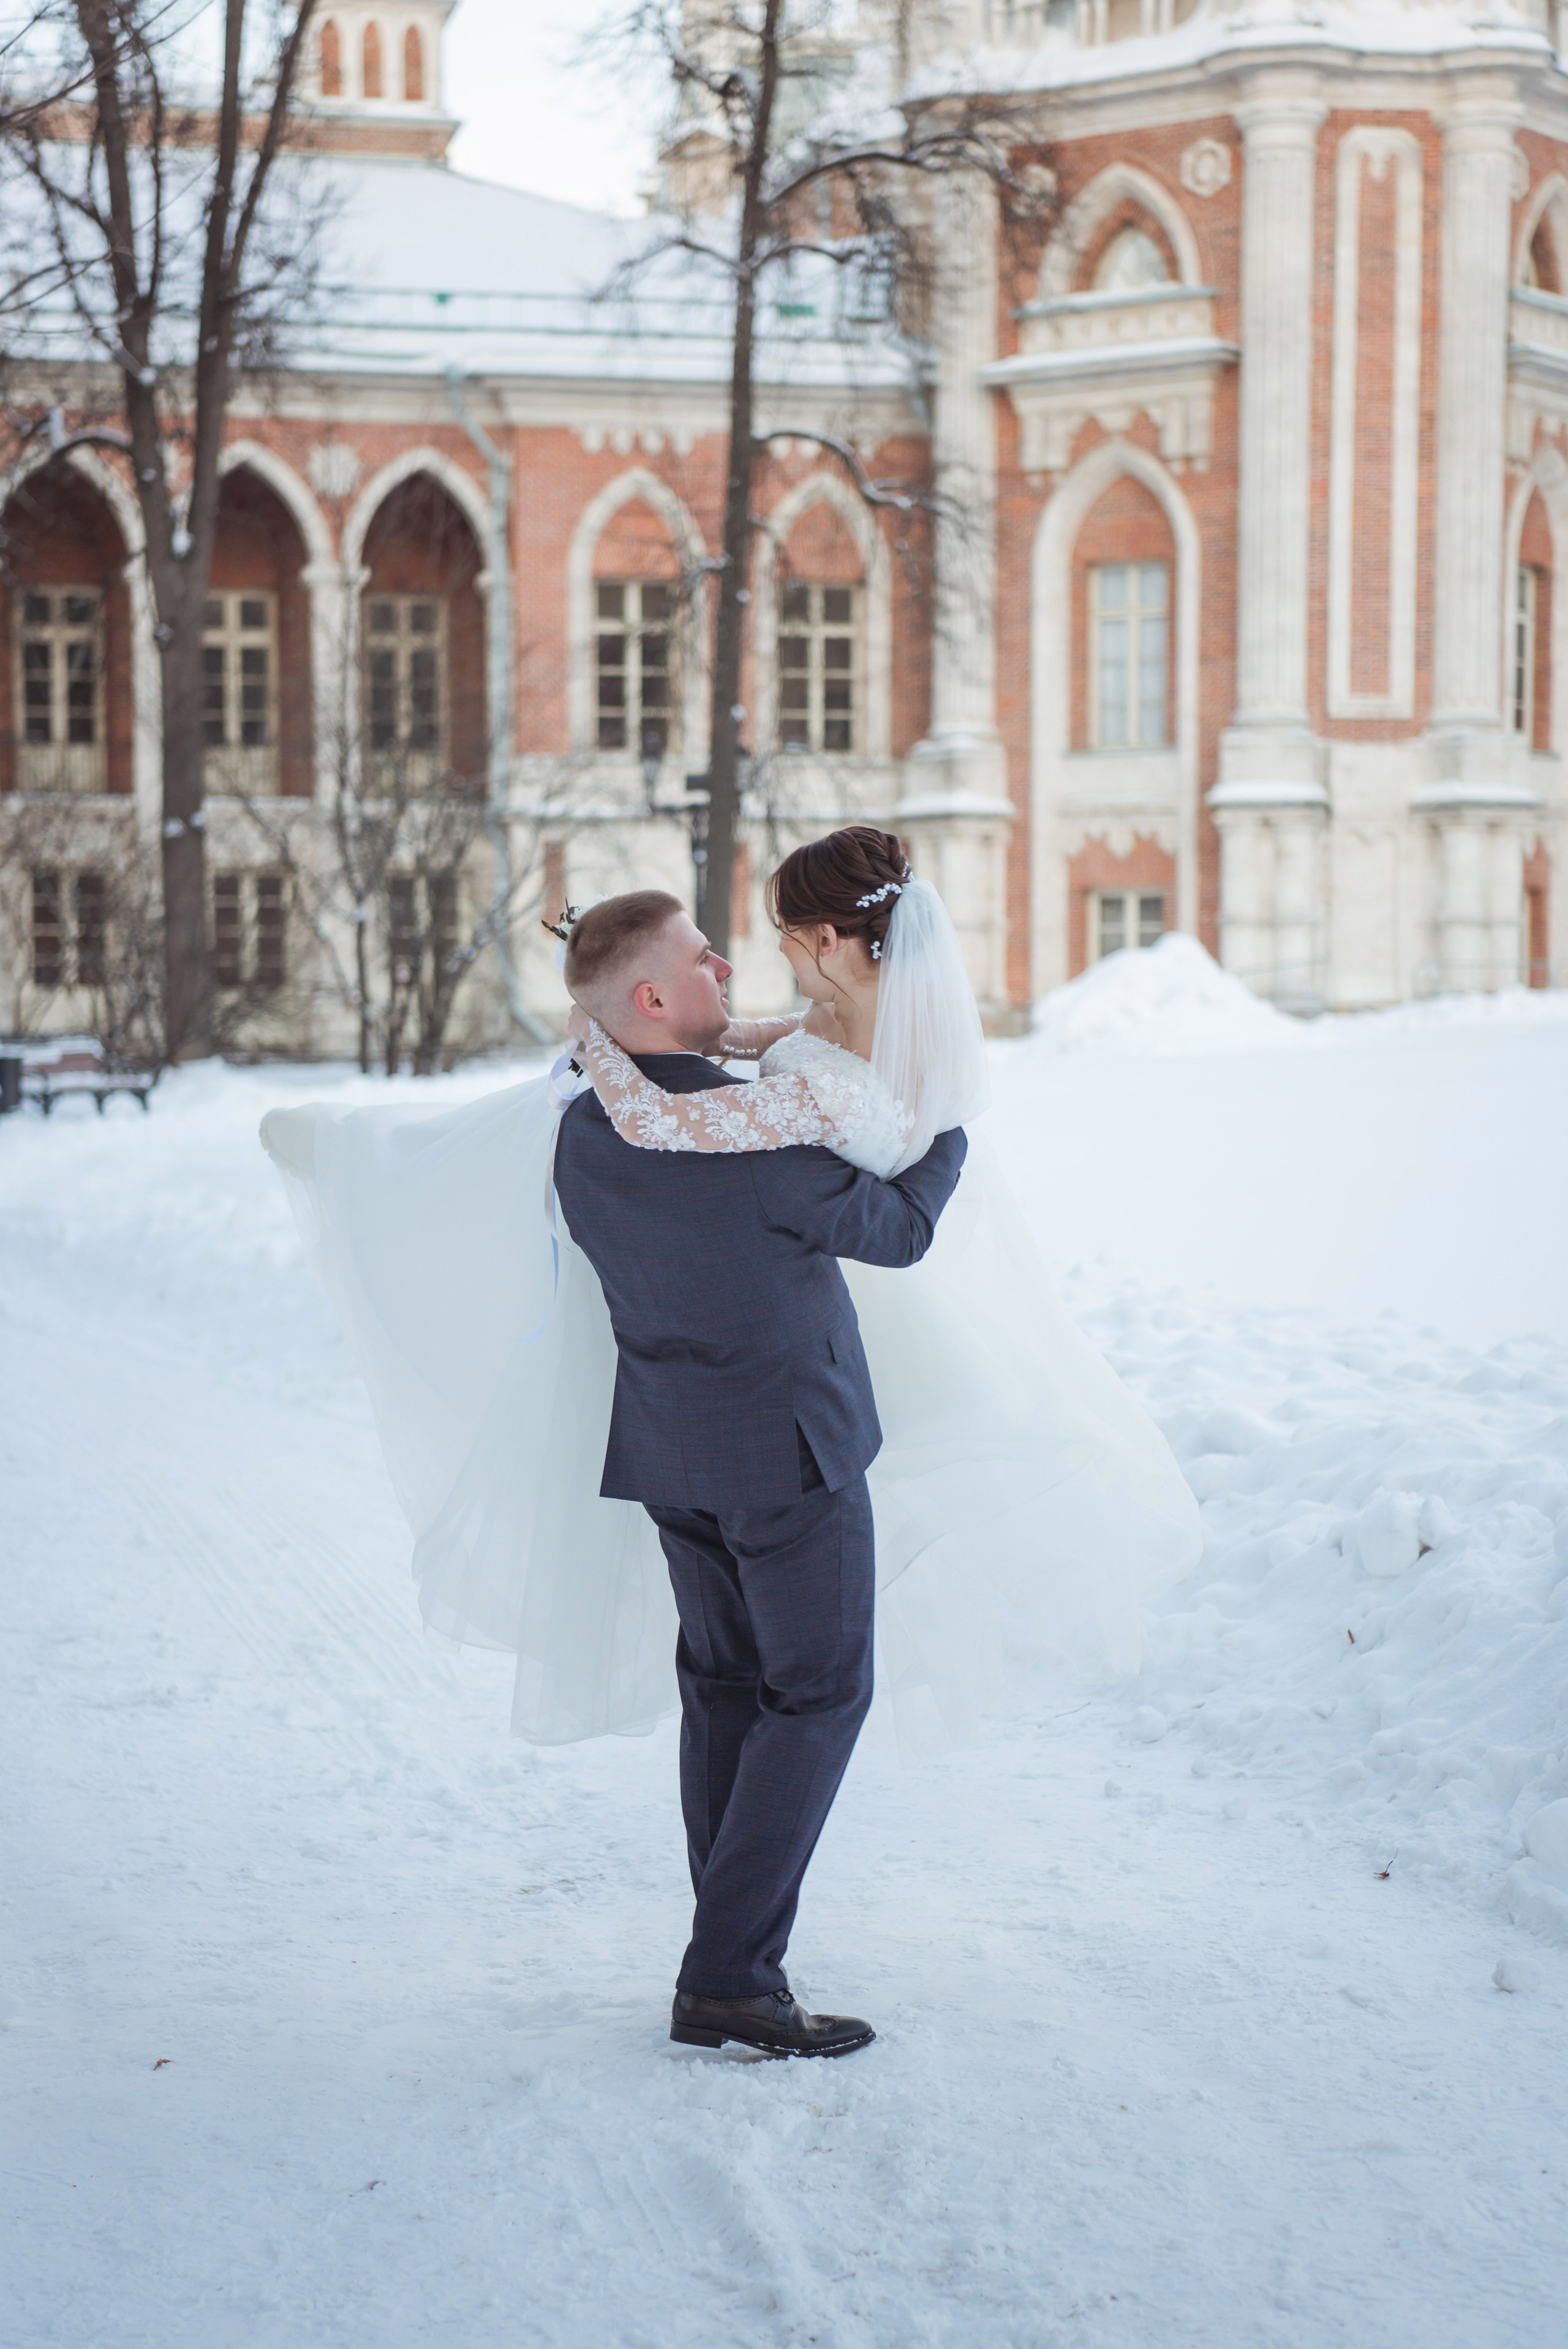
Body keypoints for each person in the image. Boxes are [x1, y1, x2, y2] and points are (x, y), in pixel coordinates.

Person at [550, 856, 968, 2057]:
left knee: (724, 1689)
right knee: (818, 1692)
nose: (723, 965)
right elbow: (900, 1227)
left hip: (672, 1457)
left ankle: (726, 1942)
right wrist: (946, 1116)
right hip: (788, 1456)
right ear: (646, 1003)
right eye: (697, 958)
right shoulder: (759, 1143)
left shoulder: (587, 1125)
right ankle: (729, 1972)